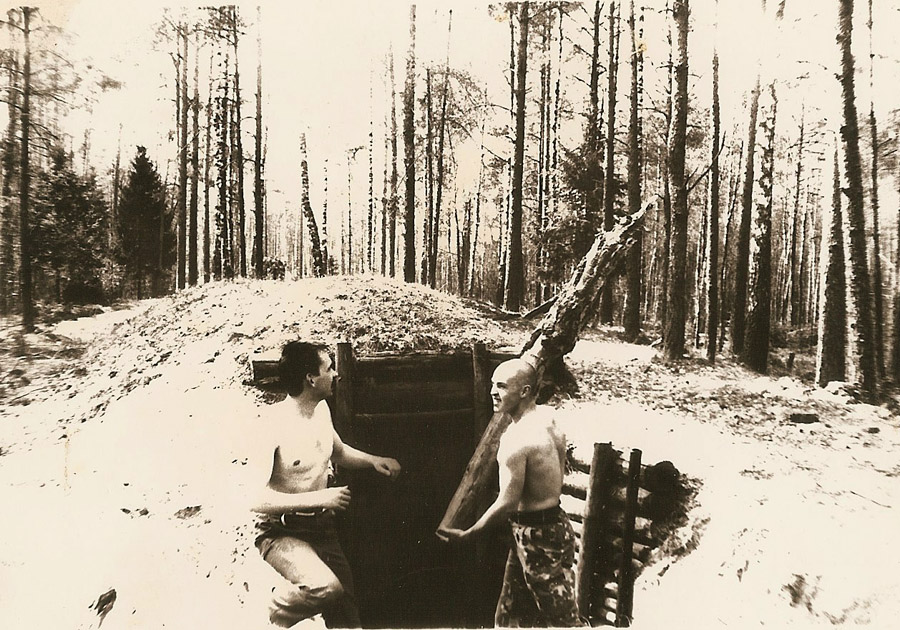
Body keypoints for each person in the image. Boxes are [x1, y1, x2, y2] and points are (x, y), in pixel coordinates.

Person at [250, 341, 401, 628]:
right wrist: (321, 498)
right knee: (326, 588)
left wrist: (374, 461)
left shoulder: (321, 410)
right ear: (311, 378)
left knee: (348, 621)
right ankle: (266, 614)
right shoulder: (273, 424)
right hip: (281, 531)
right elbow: (255, 499)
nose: (336, 375)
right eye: (329, 369)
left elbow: (339, 452)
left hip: (322, 529)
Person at [439, 358, 585, 627]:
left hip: (536, 536)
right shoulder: (549, 418)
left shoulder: (515, 439)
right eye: (492, 384)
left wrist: (470, 534)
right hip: (553, 526)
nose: (492, 392)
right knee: (509, 616)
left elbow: (507, 502)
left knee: (563, 622)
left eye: (502, 386)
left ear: (525, 391)